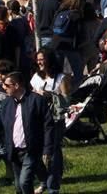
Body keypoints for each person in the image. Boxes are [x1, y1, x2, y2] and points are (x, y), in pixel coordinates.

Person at [0, 71, 54, 194]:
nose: (3, 88)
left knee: (24, 182)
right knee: (19, 186)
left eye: (7, 85)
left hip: (31, 150)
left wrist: (47, 149)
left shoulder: (36, 101)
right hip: (14, 152)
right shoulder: (6, 104)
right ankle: (43, 178)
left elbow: (48, 126)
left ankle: (45, 179)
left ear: (17, 86)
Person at [31, 48, 70, 194]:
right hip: (39, 119)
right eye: (38, 59)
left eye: (42, 59)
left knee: (52, 151)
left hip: (55, 119)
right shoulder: (36, 77)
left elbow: (66, 100)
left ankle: (53, 186)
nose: (39, 62)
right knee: (39, 151)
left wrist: (50, 95)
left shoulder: (61, 78)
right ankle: (45, 180)